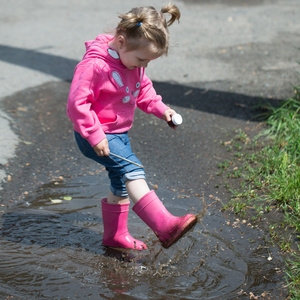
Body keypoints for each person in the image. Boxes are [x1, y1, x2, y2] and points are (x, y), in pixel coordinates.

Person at [67, 4, 197, 250]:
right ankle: (164, 225)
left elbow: (143, 90)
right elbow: (76, 104)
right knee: (131, 168)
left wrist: (163, 110)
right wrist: (95, 135)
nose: (143, 67)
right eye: (141, 59)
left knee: (120, 181)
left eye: (148, 61)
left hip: (117, 134)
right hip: (95, 134)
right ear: (121, 41)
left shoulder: (132, 65)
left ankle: (115, 236)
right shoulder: (95, 66)